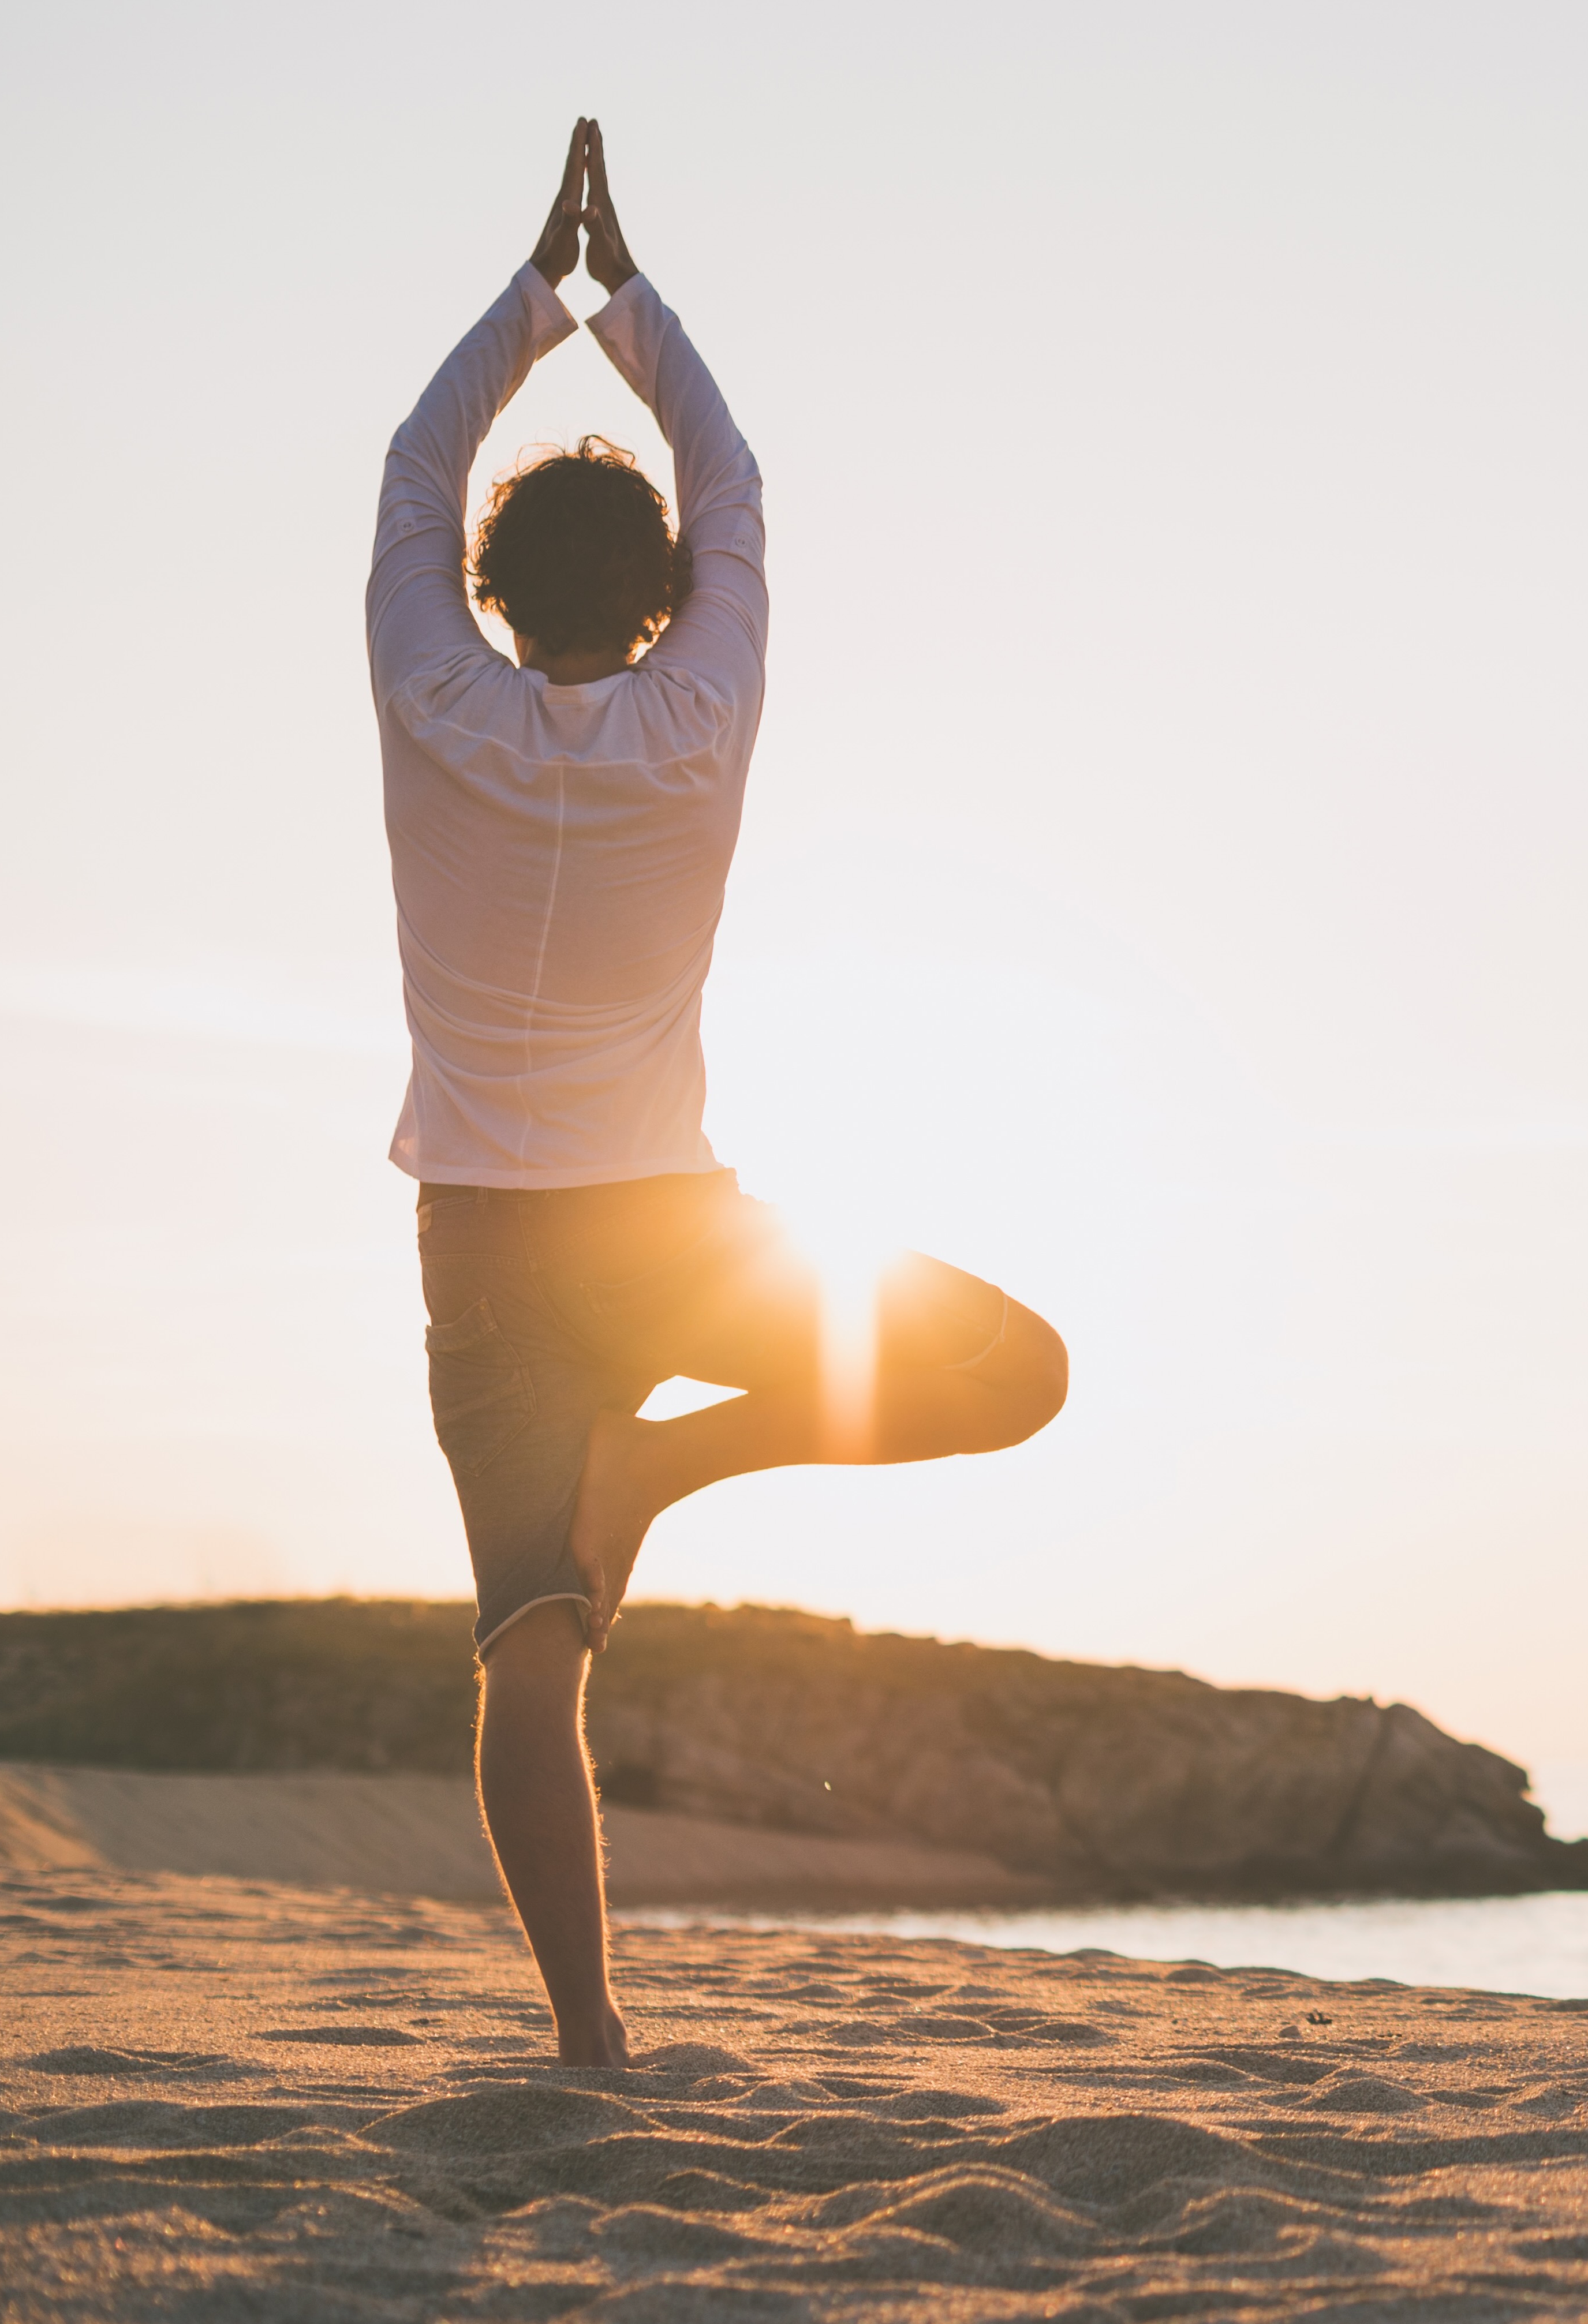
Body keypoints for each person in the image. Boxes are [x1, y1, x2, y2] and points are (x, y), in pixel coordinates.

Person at [369, 121, 1068, 2063]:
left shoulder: (435, 697)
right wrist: (617, 295)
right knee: (1018, 1373)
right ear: (668, 593)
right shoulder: (704, 709)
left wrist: (535, 297)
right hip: (675, 1238)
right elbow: (739, 481)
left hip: (489, 1253)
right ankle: (666, 1468)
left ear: (491, 596)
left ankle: (590, 2038)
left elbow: (416, 477)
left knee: (531, 1645)